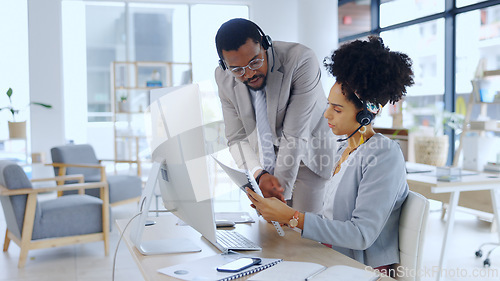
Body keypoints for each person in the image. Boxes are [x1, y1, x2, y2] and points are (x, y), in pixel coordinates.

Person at [246, 36, 414, 273]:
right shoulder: (341, 149)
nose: (326, 115)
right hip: (333, 259)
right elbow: (329, 222)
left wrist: (294, 217)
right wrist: (281, 215)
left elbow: (361, 234)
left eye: (337, 109)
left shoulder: (384, 155)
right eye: (328, 105)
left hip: (361, 269)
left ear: (365, 115)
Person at [215, 18, 335, 213]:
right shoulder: (223, 78)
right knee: (272, 234)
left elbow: (295, 136)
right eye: (237, 69)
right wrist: (259, 174)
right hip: (266, 155)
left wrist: (278, 198)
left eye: (255, 61)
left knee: (303, 232)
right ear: (225, 65)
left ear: (265, 44)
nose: (248, 74)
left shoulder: (300, 60)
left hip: (309, 154)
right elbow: (236, 137)